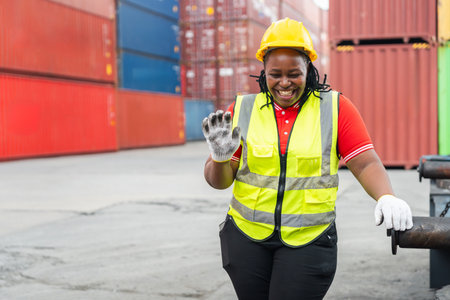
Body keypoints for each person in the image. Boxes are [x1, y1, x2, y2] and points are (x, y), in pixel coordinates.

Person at [201, 18, 413, 300]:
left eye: (294, 73)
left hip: (309, 242)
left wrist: (386, 196)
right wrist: (219, 158)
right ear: (263, 71)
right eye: (275, 74)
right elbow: (219, 183)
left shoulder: (336, 108)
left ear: (309, 69)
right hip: (245, 238)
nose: (285, 83)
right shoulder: (242, 109)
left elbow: (365, 162)